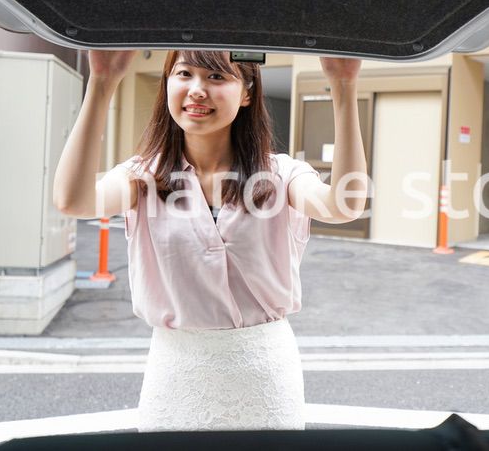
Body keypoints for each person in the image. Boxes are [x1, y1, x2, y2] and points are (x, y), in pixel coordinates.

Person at [53, 49, 367, 431]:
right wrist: (101, 83)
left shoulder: (283, 175)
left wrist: (344, 87)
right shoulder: (141, 177)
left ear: (247, 92)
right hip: (175, 377)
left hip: (264, 378)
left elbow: (344, 206)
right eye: (184, 74)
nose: (197, 90)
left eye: (217, 77)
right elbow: (73, 200)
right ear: (167, 83)